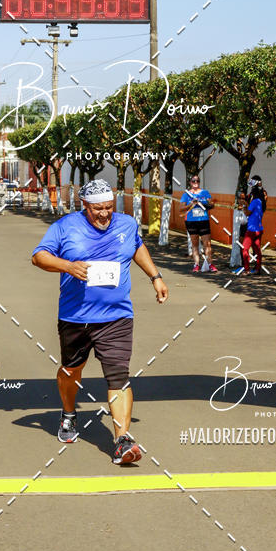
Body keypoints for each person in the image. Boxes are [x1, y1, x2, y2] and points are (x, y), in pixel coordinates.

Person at [31, 179, 168, 465]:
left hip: (117, 316)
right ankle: (69, 413)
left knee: (118, 376)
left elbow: (137, 247)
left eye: (108, 207)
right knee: (71, 370)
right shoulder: (65, 227)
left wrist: (155, 277)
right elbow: (39, 257)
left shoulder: (127, 224)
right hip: (75, 316)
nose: (104, 214)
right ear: (85, 206)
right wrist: (67, 265)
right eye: (97, 209)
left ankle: (122, 440)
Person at [179, 175, 217, 273]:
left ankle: (210, 264)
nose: (195, 182)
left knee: (207, 244)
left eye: (197, 181)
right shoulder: (186, 194)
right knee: (195, 244)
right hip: (191, 222)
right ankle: (196, 264)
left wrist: (203, 203)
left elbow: (212, 205)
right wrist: (191, 204)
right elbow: (181, 209)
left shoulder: (205, 192)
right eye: (193, 181)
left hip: (203, 220)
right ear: (190, 182)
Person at [242, 176, 267, 275]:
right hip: (259, 228)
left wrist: (244, 206)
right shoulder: (261, 201)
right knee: (257, 250)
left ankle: (247, 269)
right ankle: (257, 268)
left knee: (245, 249)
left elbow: (248, 212)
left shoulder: (255, 201)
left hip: (251, 229)